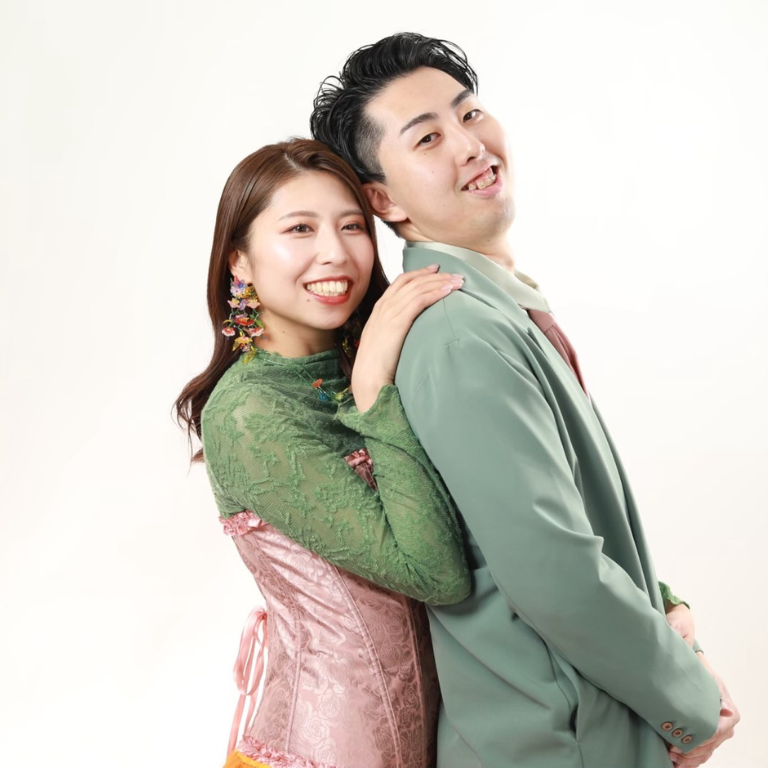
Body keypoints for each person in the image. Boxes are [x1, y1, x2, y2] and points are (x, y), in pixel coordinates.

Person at [311, 33, 739, 768]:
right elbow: (554, 571)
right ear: (383, 199)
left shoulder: (489, 310)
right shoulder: (458, 332)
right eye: (428, 138)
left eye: (469, 113)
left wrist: (667, 618)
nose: (469, 145)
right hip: (555, 740)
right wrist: (691, 705)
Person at [175, 138, 471, 768]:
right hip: (317, 750)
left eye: (352, 226)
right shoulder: (248, 411)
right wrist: (373, 389)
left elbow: (502, 496)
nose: (335, 252)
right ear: (240, 261)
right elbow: (433, 575)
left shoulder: (375, 360)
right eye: (300, 229)